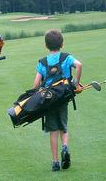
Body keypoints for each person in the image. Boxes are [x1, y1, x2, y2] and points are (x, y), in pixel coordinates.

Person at [33, 29, 82, 171]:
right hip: (63, 99)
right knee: (63, 127)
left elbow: (36, 85)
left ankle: (55, 162)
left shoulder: (42, 63)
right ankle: (65, 147)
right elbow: (79, 65)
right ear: (62, 44)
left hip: (48, 102)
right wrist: (76, 84)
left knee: (53, 131)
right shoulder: (67, 58)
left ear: (46, 46)